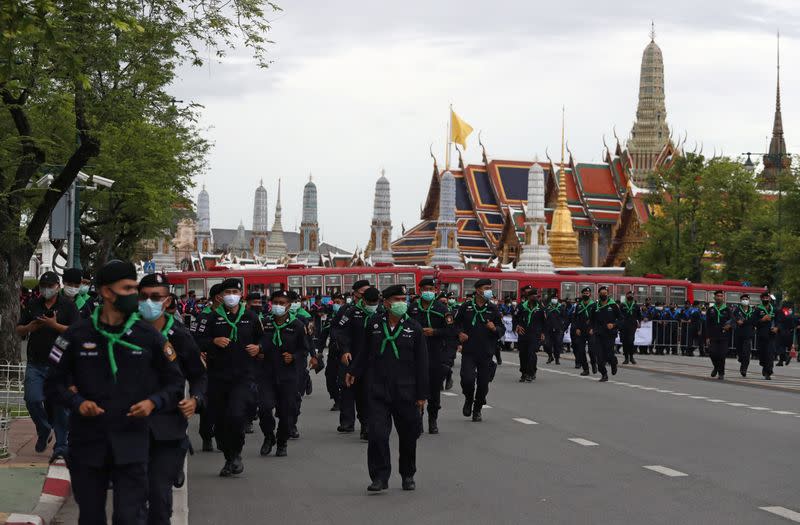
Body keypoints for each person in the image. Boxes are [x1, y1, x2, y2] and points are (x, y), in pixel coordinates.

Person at [46, 260, 184, 525]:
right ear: (107, 292)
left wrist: (153, 403)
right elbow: (53, 384)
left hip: (132, 443)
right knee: (90, 517)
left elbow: (175, 383)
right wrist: (77, 403)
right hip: (88, 443)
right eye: (128, 288)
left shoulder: (148, 336)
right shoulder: (76, 335)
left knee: (129, 517)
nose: (135, 295)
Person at [138, 273, 207, 525]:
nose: (148, 302)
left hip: (167, 428)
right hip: (130, 426)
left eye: (155, 297)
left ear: (167, 301)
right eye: (143, 297)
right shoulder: (124, 333)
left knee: (158, 498)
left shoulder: (179, 336)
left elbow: (199, 376)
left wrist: (196, 399)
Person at [345, 284, 428, 492]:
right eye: (397, 299)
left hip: (406, 391)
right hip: (378, 389)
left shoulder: (414, 328)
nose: (402, 303)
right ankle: (379, 477)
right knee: (377, 435)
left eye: (404, 299)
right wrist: (353, 371)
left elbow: (422, 364)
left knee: (408, 436)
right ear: (386, 302)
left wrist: (421, 396)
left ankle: (408, 474)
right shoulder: (374, 324)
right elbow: (364, 352)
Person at [194, 278, 263, 477]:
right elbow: (196, 341)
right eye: (227, 292)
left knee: (236, 415)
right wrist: (213, 341)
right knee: (221, 421)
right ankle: (228, 457)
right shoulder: (211, 318)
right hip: (217, 376)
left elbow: (263, 338)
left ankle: (236, 454)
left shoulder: (250, 317)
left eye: (235, 291)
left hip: (243, 376)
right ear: (221, 296)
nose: (231, 295)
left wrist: (259, 347)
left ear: (240, 294)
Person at [16, 271, 78, 462]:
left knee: (60, 408)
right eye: (43, 286)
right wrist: (30, 328)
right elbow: (19, 329)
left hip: (60, 364)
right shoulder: (33, 304)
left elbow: (77, 331)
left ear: (57, 287)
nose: (46, 290)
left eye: (50, 286)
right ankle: (44, 429)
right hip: (35, 362)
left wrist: (54, 324)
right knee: (32, 399)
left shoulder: (68, 306)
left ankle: (61, 446)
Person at [257, 290, 310, 457]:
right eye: (276, 302)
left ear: (289, 305)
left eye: (282, 303)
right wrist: (258, 351)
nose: (279, 306)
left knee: (287, 411)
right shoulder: (264, 323)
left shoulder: (297, 325)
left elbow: (304, 349)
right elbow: (256, 342)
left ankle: (282, 442)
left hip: (288, 375)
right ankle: (268, 436)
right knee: (264, 408)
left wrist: (293, 357)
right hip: (267, 373)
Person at [407, 278, 453, 434]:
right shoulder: (412, 308)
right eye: (425, 289)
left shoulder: (442, 309)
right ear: (420, 291)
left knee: (434, 390)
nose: (429, 292)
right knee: (416, 388)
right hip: (415, 355)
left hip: (435, 354)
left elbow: (450, 331)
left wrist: (435, 332)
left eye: (431, 289)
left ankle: (432, 420)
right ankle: (417, 420)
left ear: (435, 291)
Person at [455, 279, 505, 422]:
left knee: (483, 384)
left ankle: (477, 409)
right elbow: (456, 324)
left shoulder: (493, 308)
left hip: (487, 352)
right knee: (467, 380)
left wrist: (494, 328)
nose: (489, 290)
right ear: (477, 290)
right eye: (486, 288)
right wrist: (459, 334)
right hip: (469, 351)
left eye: (490, 288)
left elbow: (502, 328)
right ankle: (468, 399)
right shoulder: (466, 307)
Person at [336, 281, 379, 438]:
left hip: (375, 360)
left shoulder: (382, 312)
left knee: (368, 392)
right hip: (353, 358)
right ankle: (348, 422)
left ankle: (367, 425)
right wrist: (345, 351)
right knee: (350, 390)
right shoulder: (351, 311)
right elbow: (341, 332)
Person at [191, 283, 223, 452]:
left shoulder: (231, 315)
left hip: (228, 367)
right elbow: (193, 339)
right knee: (209, 404)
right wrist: (201, 351)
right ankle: (206, 435)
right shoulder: (203, 316)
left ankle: (221, 435)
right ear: (218, 297)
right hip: (209, 366)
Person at [320, 293, 347, 410]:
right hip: (333, 352)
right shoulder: (330, 317)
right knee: (330, 377)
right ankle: (336, 399)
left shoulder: (349, 315)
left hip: (345, 352)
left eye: (339, 302)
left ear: (344, 302)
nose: (336, 304)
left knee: (343, 378)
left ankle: (345, 401)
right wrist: (319, 352)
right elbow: (323, 336)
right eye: (334, 302)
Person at [513, 287, 545, 382]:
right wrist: (517, 326)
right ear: (528, 297)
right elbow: (515, 318)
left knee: (531, 353)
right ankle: (523, 373)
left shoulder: (540, 308)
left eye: (536, 295)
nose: (535, 297)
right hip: (523, 334)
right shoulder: (521, 306)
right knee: (523, 354)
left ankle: (531, 373)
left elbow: (545, 321)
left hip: (535, 334)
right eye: (533, 295)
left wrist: (543, 332)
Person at [591, 286, 622, 382]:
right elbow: (591, 320)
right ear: (599, 294)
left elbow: (621, 319)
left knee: (609, 354)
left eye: (605, 293)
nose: (603, 295)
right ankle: (604, 374)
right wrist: (591, 328)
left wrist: (614, 325)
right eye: (601, 293)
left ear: (608, 294)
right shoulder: (595, 306)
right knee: (599, 357)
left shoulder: (613, 305)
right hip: (598, 334)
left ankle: (613, 363)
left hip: (610, 334)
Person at [705, 290, 732, 380]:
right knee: (712, 353)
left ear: (723, 298)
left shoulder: (727, 309)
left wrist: (729, 325)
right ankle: (716, 367)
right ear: (714, 297)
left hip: (724, 336)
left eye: (721, 296)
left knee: (722, 355)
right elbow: (707, 324)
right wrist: (707, 336)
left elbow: (733, 321)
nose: (719, 297)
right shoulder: (710, 309)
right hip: (713, 336)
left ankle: (721, 372)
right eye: (718, 296)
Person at [570, 287, 595, 376]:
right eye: (584, 293)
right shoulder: (578, 305)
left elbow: (597, 319)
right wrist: (576, 328)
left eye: (587, 293)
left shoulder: (594, 305)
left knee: (592, 351)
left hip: (591, 331)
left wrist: (593, 328)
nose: (585, 295)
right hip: (581, 331)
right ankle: (586, 369)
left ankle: (593, 364)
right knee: (580, 351)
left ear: (590, 294)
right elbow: (575, 318)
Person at [732, 294, 756, 378]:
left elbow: (754, 320)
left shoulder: (752, 310)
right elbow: (734, 318)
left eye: (746, 299)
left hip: (748, 334)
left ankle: (744, 368)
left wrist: (746, 322)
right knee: (740, 351)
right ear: (740, 300)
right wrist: (738, 321)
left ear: (749, 300)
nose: (745, 300)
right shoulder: (737, 310)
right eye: (743, 299)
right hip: (739, 333)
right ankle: (741, 359)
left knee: (746, 352)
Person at [754, 291, 777, 378]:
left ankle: (768, 372)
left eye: (767, 298)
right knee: (763, 354)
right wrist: (762, 320)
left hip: (771, 336)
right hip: (761, 336)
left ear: (770, 299)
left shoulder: (774, 309)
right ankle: (764, 365)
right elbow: (753, 322)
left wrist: (777, 328)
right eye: (764, 298)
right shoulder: (757, 310)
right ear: (761, 299)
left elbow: (779, 321)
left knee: (770, 354)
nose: (765, 299)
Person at [619, 290, 641, 365]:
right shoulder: (622, 305)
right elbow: (619, 315)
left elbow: (639, 316)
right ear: (626, 296)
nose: (630, 296)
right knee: (625, 342)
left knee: (631, 341)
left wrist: (639, 322)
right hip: (623, 326)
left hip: (632, 326)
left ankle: (631, 357)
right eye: (629, 295)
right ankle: (626, 358)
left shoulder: (636, 306)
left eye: (631, 295)